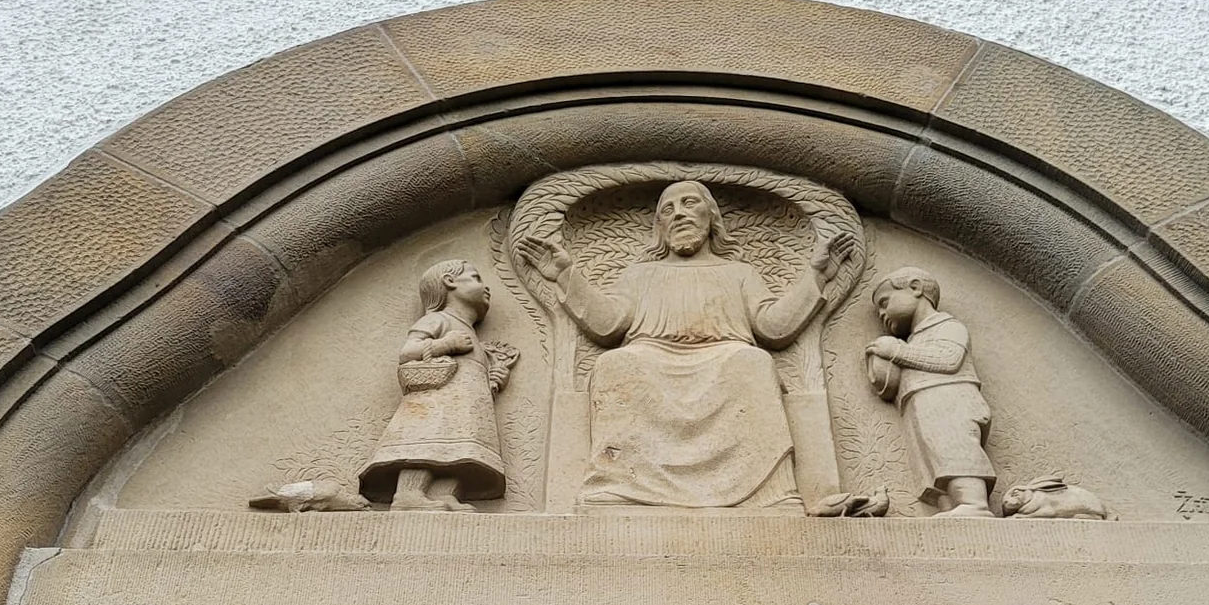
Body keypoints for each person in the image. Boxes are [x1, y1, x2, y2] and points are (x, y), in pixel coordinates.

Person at [516, 181, 850, 512]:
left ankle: (768, 493)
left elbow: (774, 327)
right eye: (668, 209)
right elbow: (608, 324)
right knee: (614, 365)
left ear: (711, 217)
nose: (679, 214)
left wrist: (816, 276)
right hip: (649, 356)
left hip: (726, 357)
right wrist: (565, 275)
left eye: (690, 203)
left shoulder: (739, 272)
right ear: (659, 227)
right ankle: (619, 486)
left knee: (754, 363)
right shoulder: (640, 275)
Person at [359, 260, 515, 511]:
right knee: (428, 442)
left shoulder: (468, 330)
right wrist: (444, 345)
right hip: (438, 402)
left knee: (458, 450)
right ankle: (408, 495)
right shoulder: (438, 320)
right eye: (475, 278)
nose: (486, 287)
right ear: (449, 282)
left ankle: (444, 494)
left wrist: (493, 378)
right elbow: (407, 352)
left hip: (466, 406)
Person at [865, 269, 996, 518]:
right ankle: (952, 506)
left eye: (885, 303)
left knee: (955, 449)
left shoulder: (947, 325)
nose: (882, 313)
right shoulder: (915, 339)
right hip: (923, 405)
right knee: (935, 457)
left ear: (915, 288)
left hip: (950, 402)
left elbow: (949, 359)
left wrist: (896, 351)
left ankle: (974, 503)